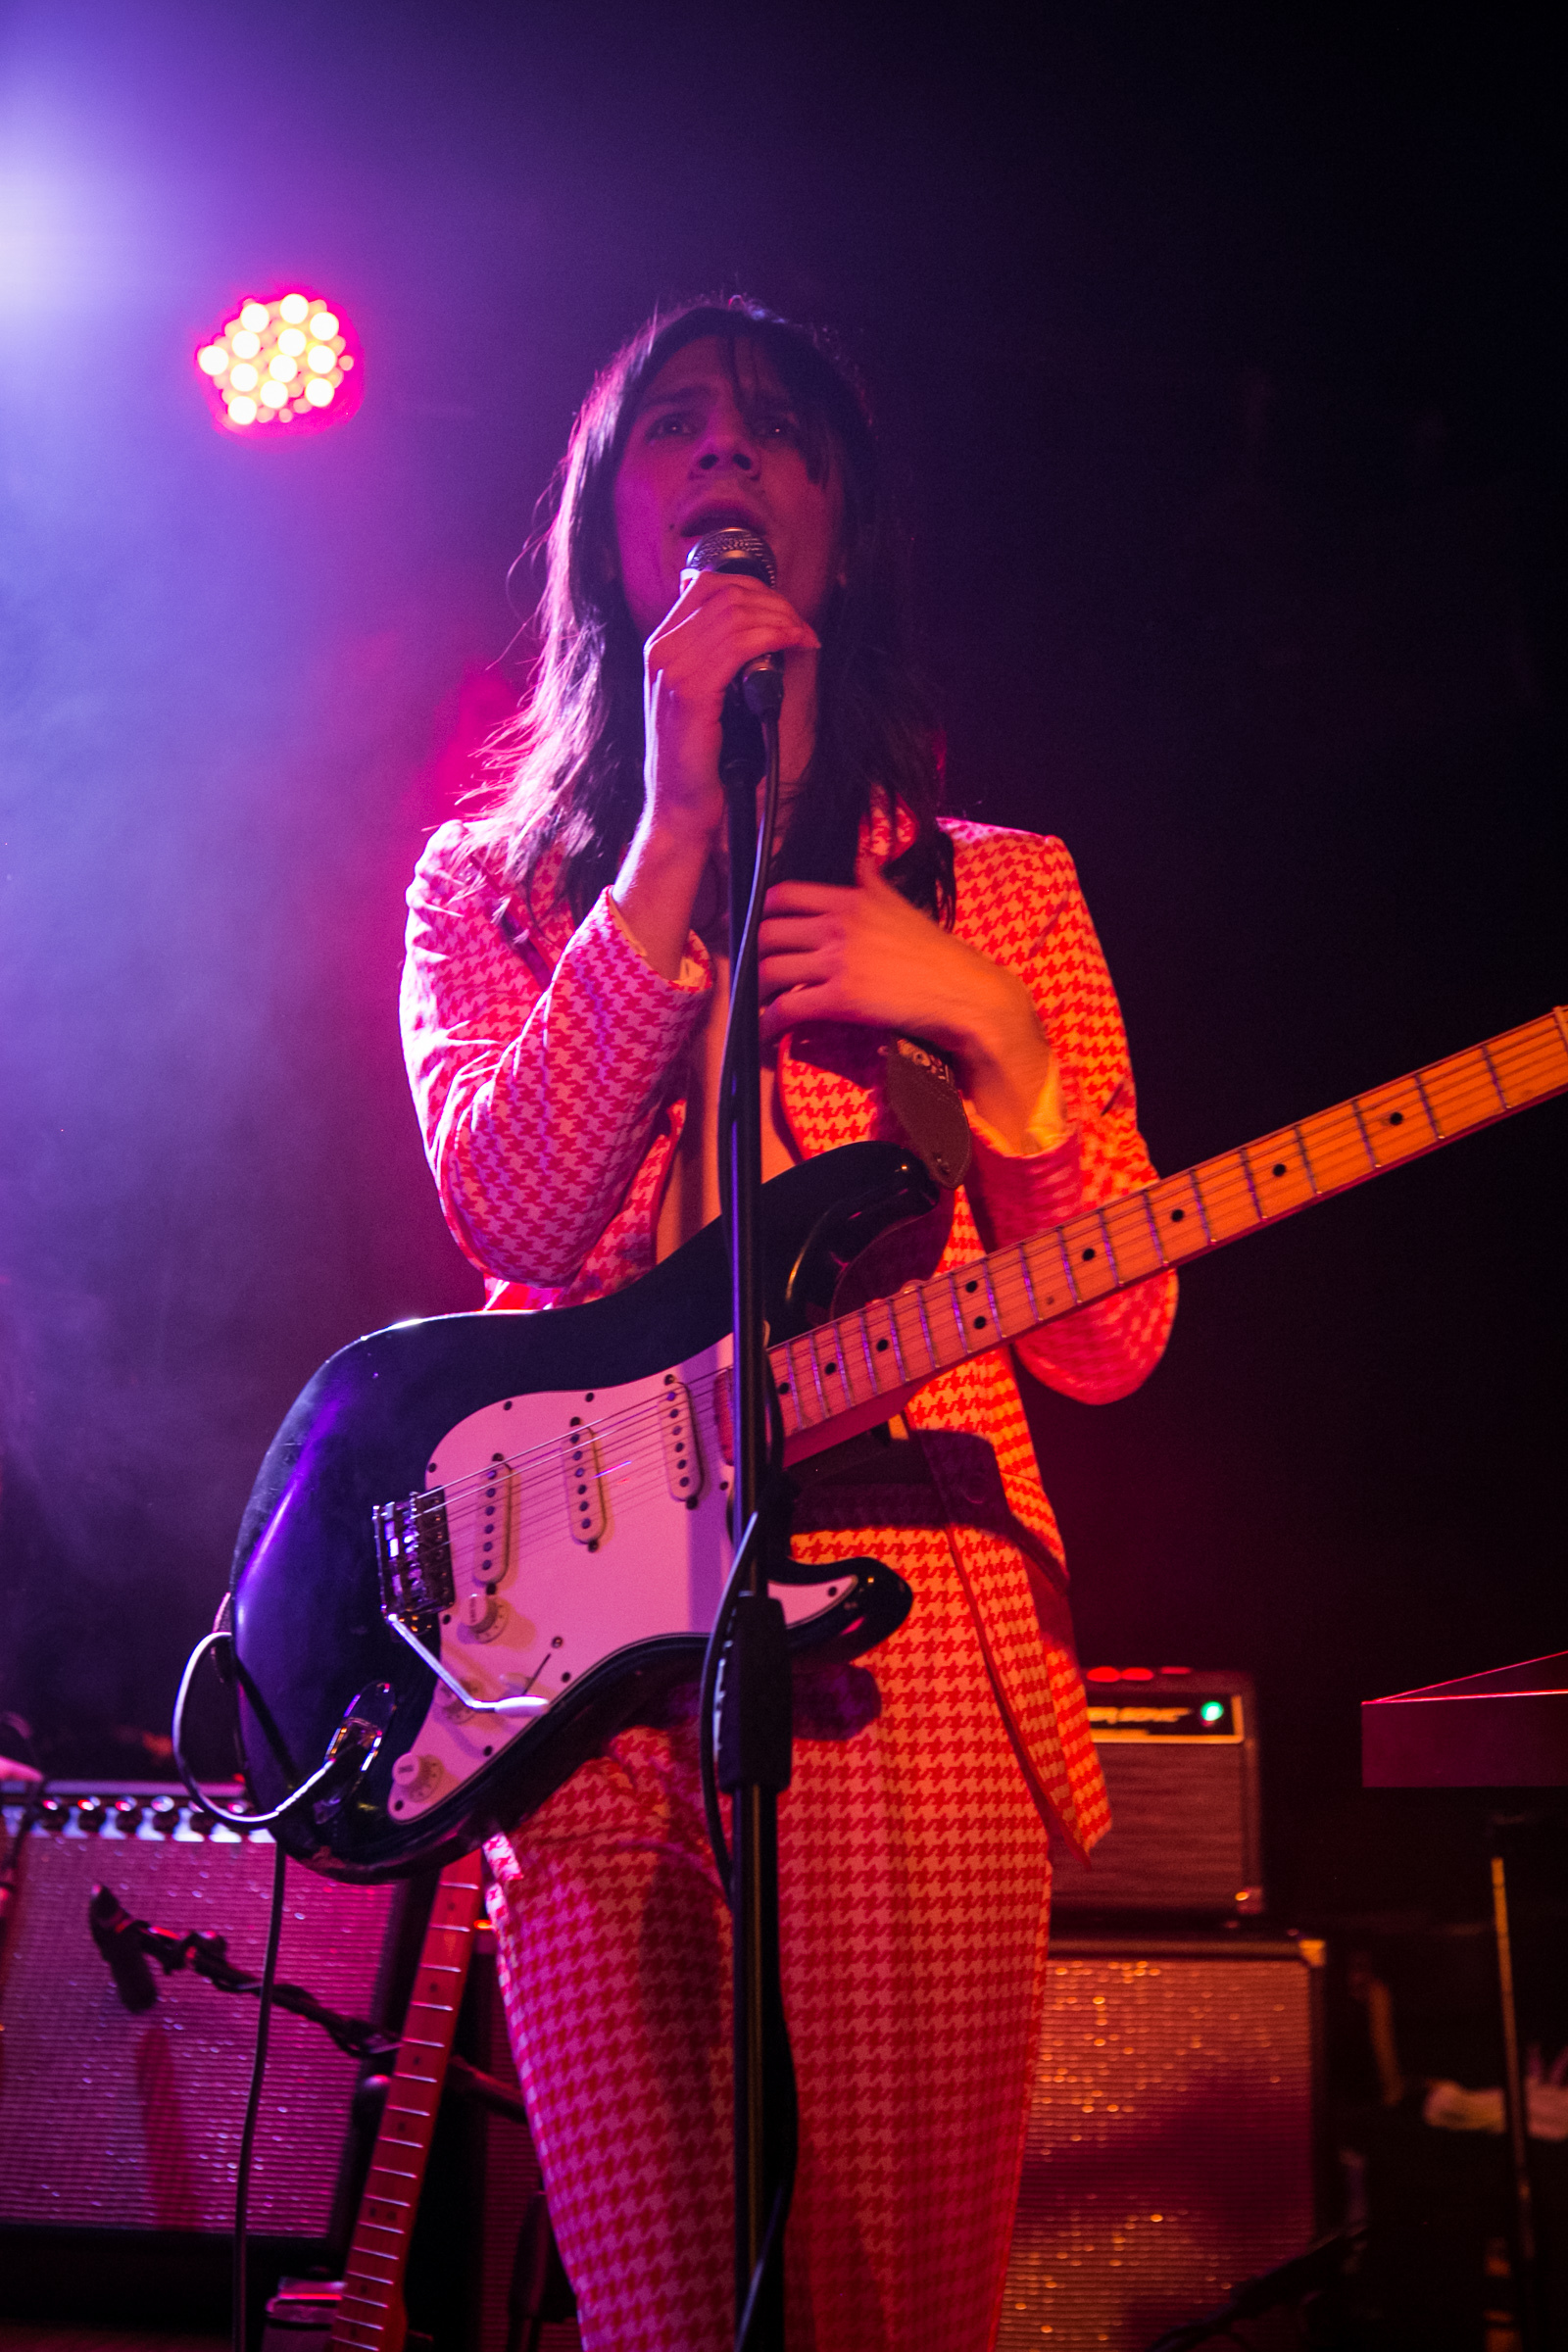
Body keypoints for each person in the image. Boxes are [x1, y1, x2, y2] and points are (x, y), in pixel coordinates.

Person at [400, 300, 1176, 2352]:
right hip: (574, 1678)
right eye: (674, 427)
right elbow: (516, 1207)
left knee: (888, 2311)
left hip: (905, 1629)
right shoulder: (486, 891)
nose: (726, 456)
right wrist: (669, 842)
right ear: (610, 529)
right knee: (659, 2316)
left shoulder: (1002, 894)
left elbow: (1110, 1343)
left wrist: (998, 1042)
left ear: (844, 525)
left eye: (776, 433)